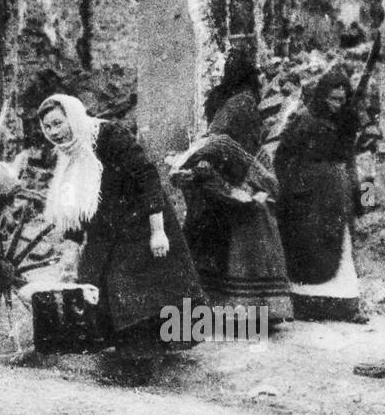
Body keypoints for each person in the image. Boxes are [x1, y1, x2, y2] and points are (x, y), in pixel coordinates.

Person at [38, 94, 203, 361]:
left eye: (58, 123)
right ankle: (124, 346)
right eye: (47, 127)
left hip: (142, 218)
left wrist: (158, 231)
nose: (54, 132)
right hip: (107, 224)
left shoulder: (109, 135)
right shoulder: (69, 153)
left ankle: (142, 356)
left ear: (73, 117)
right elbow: (75, 205)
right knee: (91, 277)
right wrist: (70, 251)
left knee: (131, 284)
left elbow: (147, 176)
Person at [173, 97, 293, 322]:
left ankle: (250, 310)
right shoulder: (214, 150)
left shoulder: (256, 154)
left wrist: (250, 193)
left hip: (248, 219)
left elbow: (272, 187)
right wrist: (205, 181)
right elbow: (196, 178)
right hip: (217, 215)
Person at [274, 69, 366, 323]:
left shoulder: (346, 123)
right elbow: (282, 157)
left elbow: (351, 161)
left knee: (342, 249)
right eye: (333, 99)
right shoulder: (304, 120)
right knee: (310, 250)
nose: (338, 105)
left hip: (338, 197)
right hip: (309, 199)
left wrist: (360, 197)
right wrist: (296, 189)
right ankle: (304, 306)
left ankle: (346, 307)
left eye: (342, 99)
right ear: (322, 96)